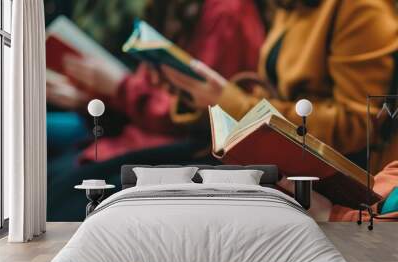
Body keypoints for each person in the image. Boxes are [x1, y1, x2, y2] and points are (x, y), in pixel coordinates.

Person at [47, 0, 267, 221]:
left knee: (60, 195)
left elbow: (199, 117)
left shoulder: (225, 12)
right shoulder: (165, 8)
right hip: (139, 136)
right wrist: (95, 98)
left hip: (184, 148)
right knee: (48, 180)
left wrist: (120, 88)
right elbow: (147, 95)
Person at [163, 0, 398, 172]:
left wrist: (231, 102)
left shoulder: (361, 8)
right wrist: (203, 97)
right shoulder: (291, 7)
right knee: (131, 173)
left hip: (323, 173)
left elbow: (357, 125)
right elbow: (274, 91)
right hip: (280, 156)